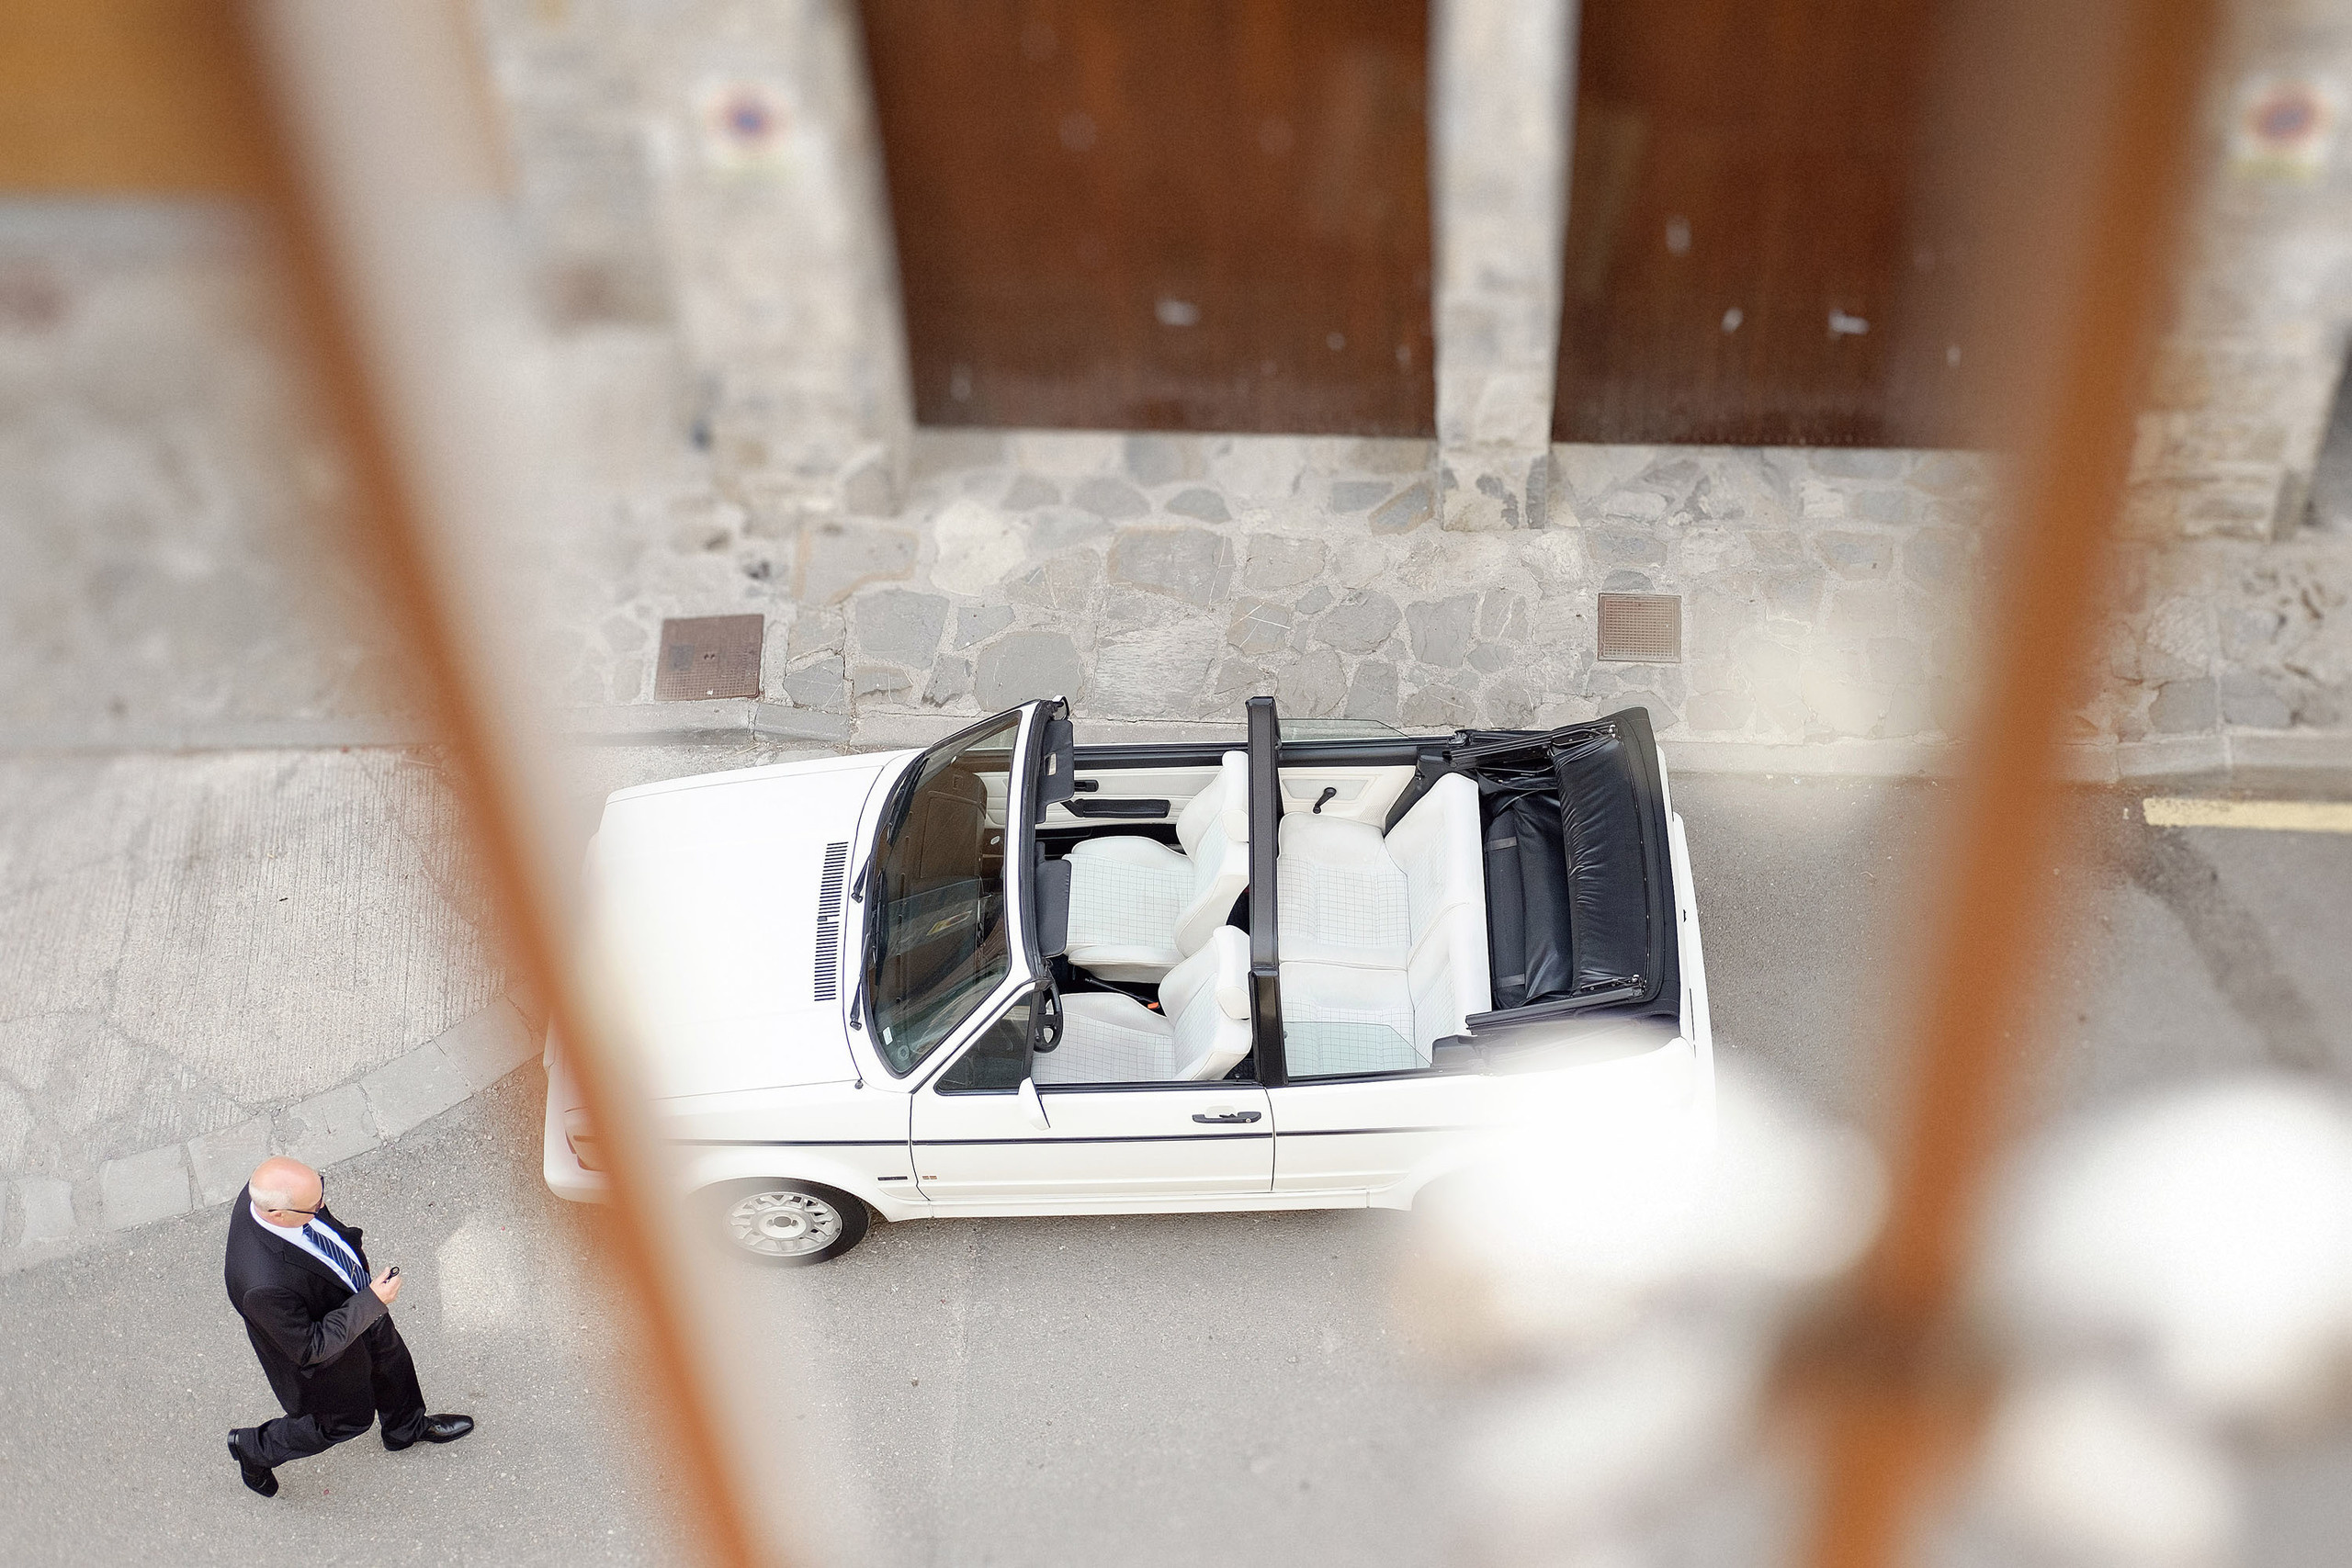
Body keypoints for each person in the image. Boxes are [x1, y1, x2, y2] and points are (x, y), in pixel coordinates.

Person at [222, 1156, 473, 1496]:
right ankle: (254, 1448)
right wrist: (370, 1301)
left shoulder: (272, 1194)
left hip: (356, 1305)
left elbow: (321, 1225)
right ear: (277, 1214)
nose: (322, 1205)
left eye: (320, 1191)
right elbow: (309, 1348)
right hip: (331, 1356)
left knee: (393, 1364)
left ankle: (406, 1430)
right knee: (346, 1423)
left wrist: (366, 1297)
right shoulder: (261, 1286)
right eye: (314, 1206)